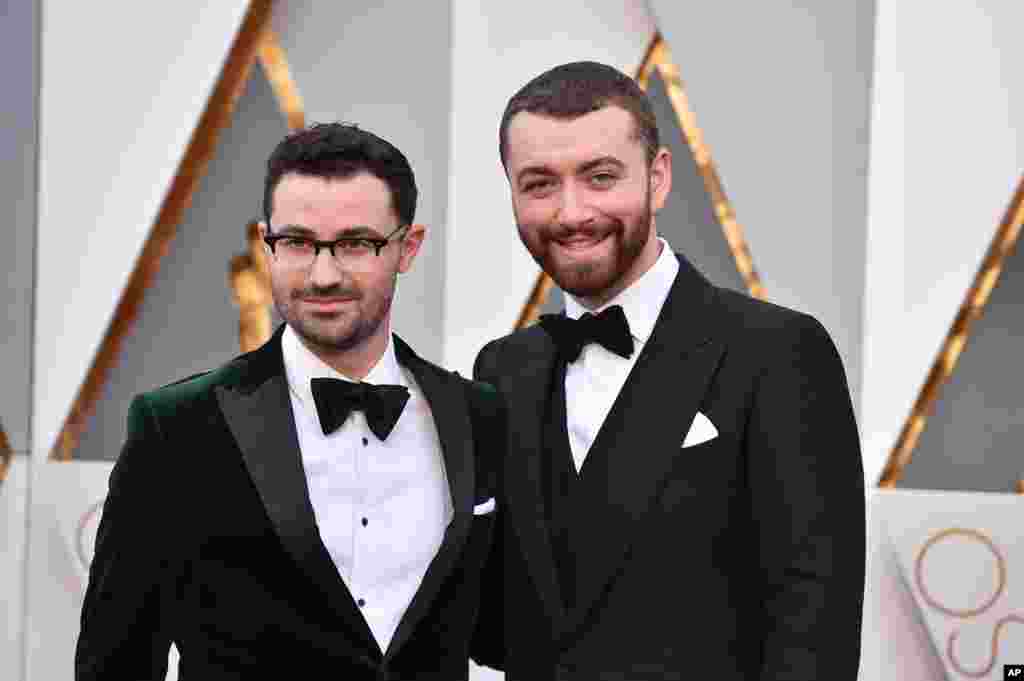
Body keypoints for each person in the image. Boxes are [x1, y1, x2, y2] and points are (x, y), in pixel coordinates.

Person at [473, 61, 865, 680]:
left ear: (658, 178)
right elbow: (497, 633)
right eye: (540, 184)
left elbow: (814, 629)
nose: (572, 212)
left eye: (600, 177)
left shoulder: (779, 352)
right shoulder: (502, 369)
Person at [77, 123, 504, 680]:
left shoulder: (479, 418)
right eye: (299, 243)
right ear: (265, 245)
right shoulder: (176, 430)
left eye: (355, 243)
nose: (323, 275)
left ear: (407, 247)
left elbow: (509, 633)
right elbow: (116, 664)